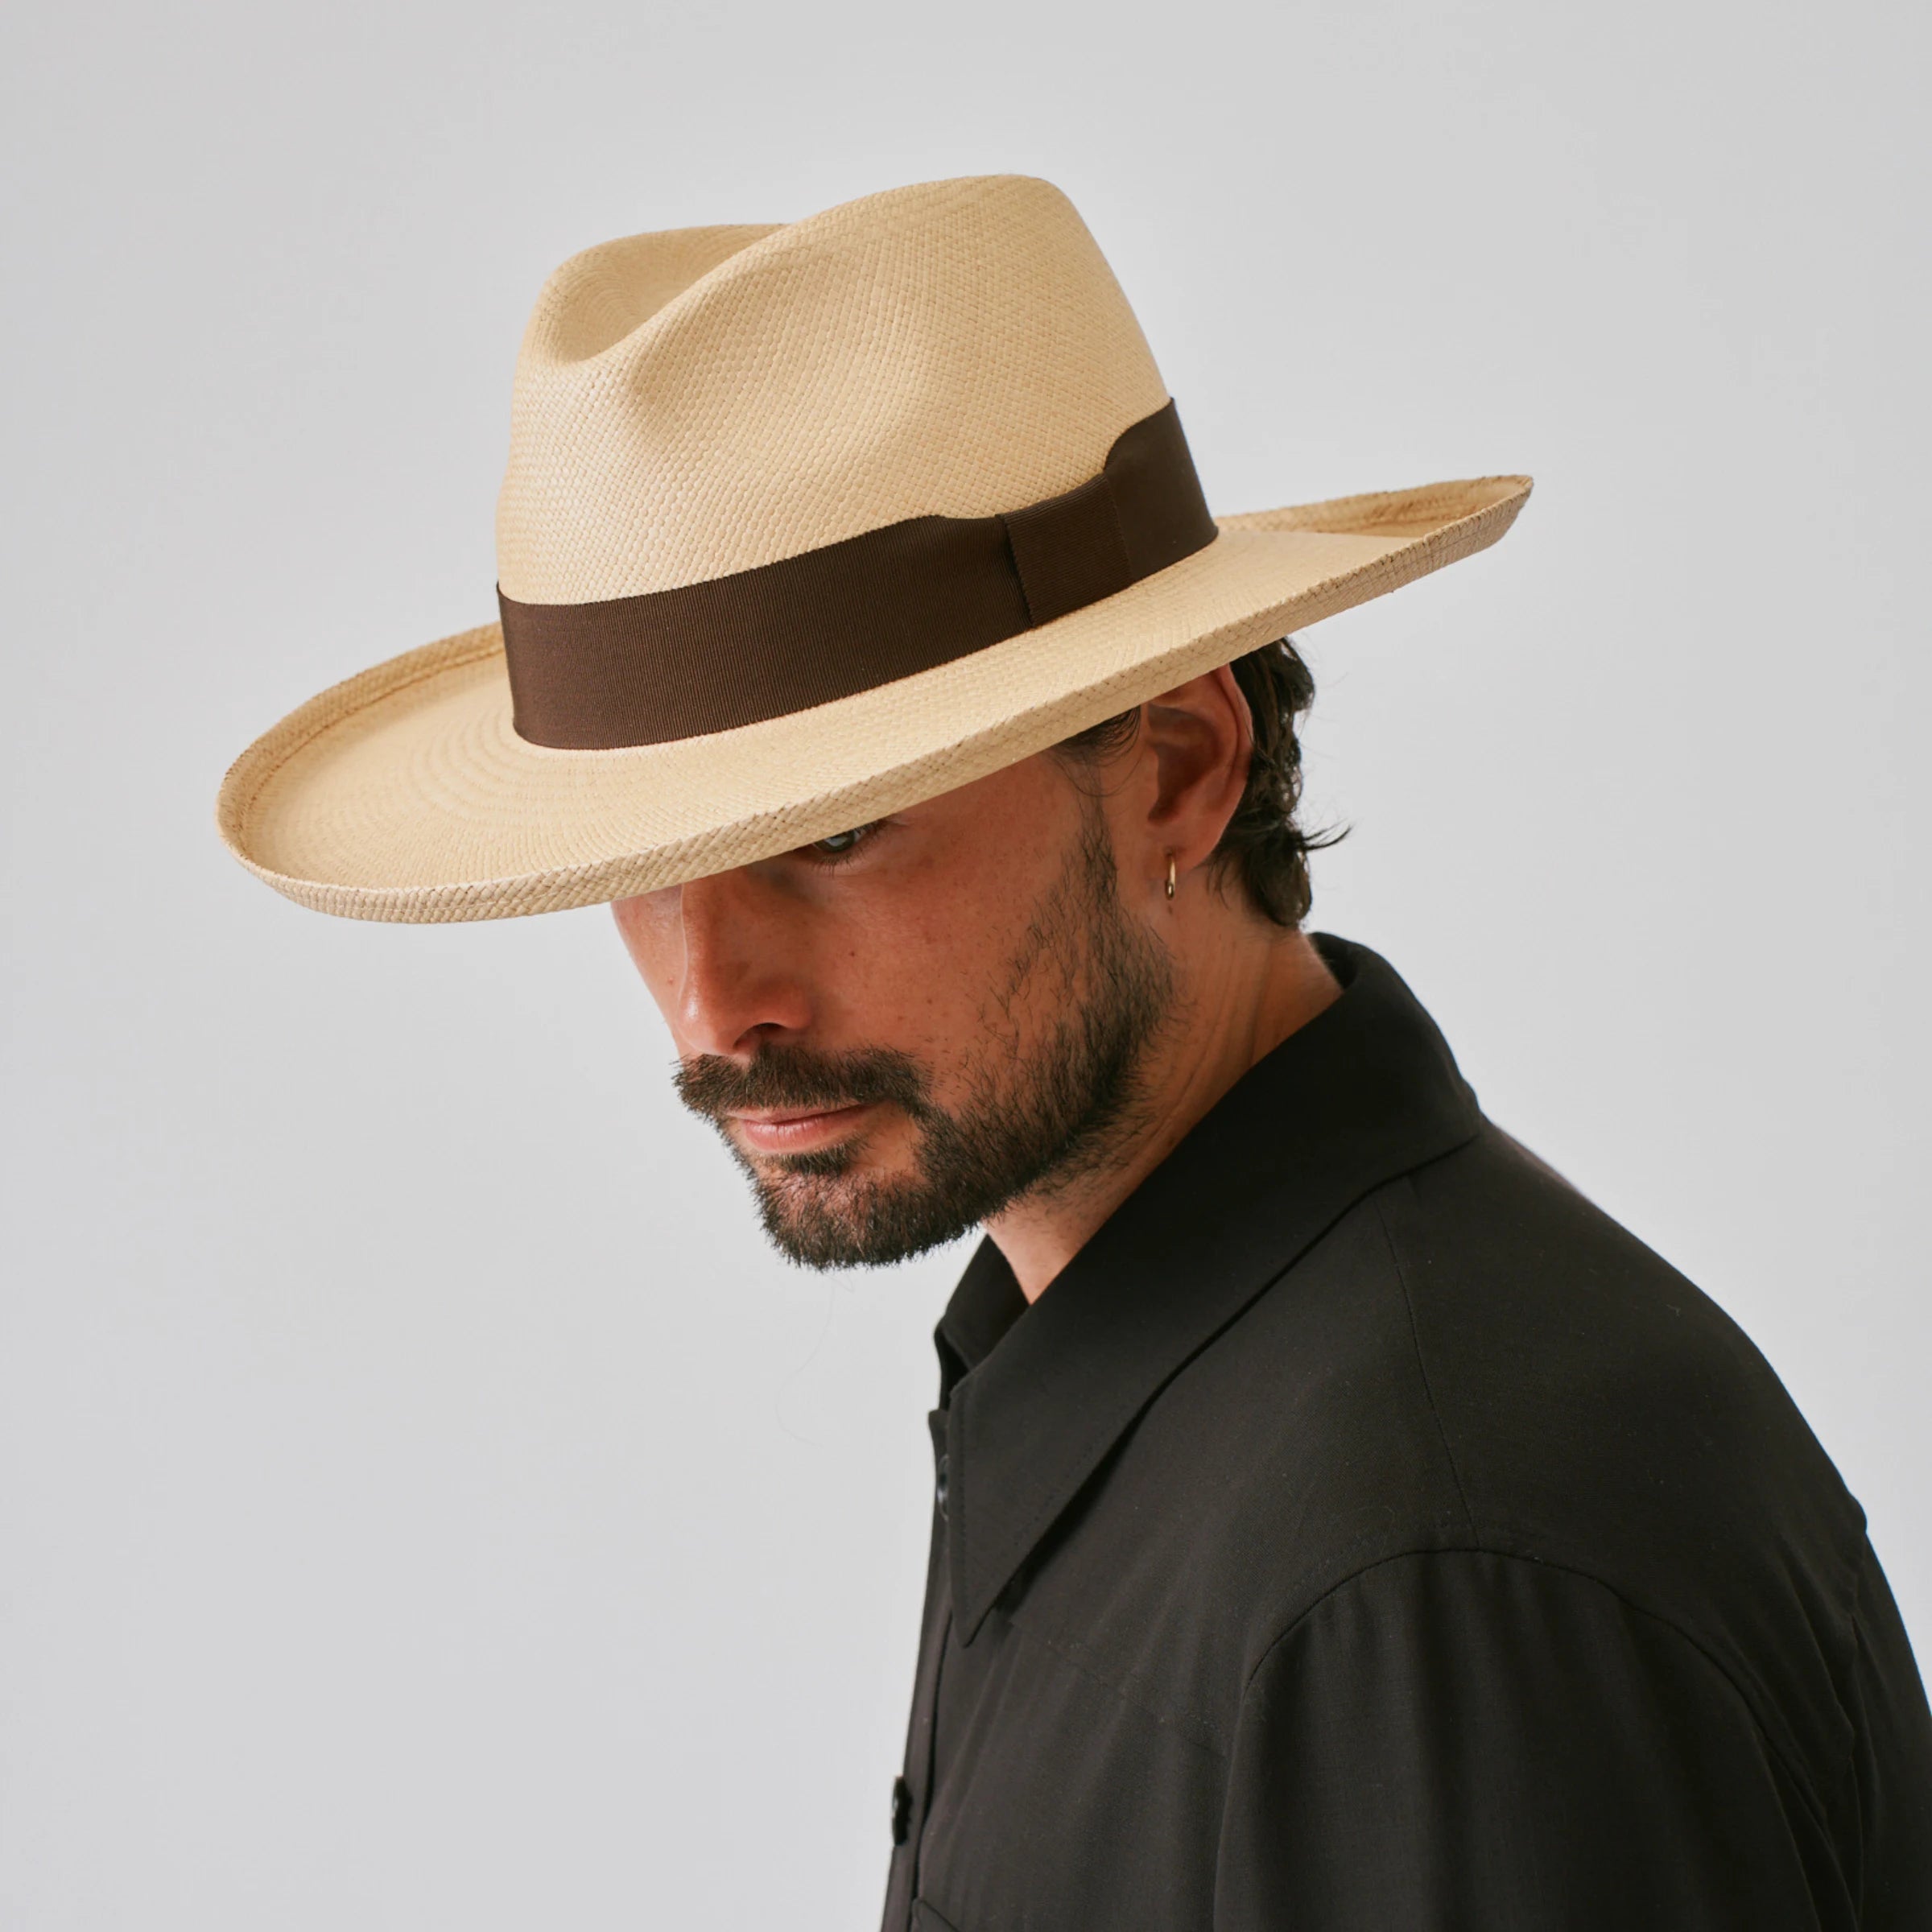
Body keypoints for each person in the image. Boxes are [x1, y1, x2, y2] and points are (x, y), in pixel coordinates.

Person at [219, 175, 1932, 1926]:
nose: (711, 1004)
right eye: (643, 876)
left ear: (1181, 771)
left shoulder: (1416, 1572)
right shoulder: (1159, 1375)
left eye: (833, 836)